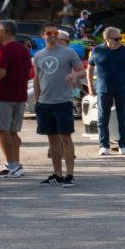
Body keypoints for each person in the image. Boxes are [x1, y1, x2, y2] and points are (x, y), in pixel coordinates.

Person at [31, 25, 84, 185]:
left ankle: (70, 175)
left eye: (55, 33)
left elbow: (81, 70)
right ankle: (57, 174)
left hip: (63, 102)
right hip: (45, 103)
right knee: (52, 140)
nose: (52, 36)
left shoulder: (68, 52)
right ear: (43, 35)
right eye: (49, 33)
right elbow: (36, 79)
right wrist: (37, 100)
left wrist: (74, 75)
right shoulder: (39, 55)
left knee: (65, 138)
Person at [89, 27, 125, 154]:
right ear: (107, 39)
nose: (119, 41)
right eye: (116, 39)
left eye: (120, 38)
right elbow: (89, 68)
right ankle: (104, 146)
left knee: (123, 118)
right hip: (103, 89)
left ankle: (124, 145)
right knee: (102, 118)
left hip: (122, 89)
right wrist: (90, 86)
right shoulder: (97, 50)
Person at [0, 20, 32, 178]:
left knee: (2, 132)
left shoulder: (4, 50)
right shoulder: (24, 50)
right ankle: (16, 165)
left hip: (4, 96)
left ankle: (11, 165)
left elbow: (1, 73)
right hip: (20, 96)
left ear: (3, 32)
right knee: (13, 131)